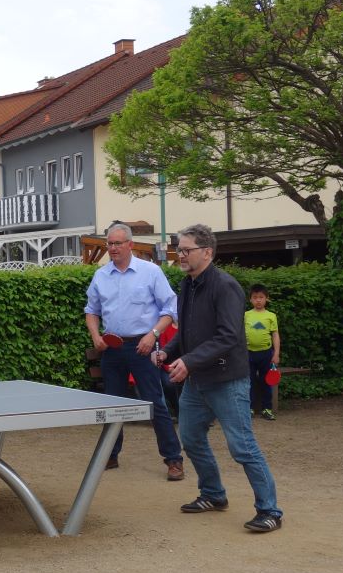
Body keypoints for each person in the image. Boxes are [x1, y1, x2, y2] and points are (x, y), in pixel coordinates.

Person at [154, 224, 283, 533]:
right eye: (179, 250)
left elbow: (227, 336)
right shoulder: (187, 285)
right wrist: (168, 352)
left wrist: (187, 360)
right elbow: (186, 333)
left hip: (227, 381)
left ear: (207, 252)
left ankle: (270, 511)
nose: (180, 255)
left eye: (187, 250)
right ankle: (213, 494)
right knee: (191, 438)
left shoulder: (225, 286)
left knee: (243, 447)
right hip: (197, 381)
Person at [85, 222, 185, 481]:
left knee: (155, 403)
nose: (113, 248)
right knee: (112, 404)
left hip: (143, 347)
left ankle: (174, 459)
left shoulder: (150, 272)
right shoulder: (101, 275)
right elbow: (91, 311)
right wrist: (96, 336)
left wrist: (152, 336)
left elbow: (170, 310)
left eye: (118, 243)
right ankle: (111, 454)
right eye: (110, 243)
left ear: (130, 244)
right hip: (112, 348)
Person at [245, 283, 281, 420]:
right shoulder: (246, 315)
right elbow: (240, 335)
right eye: (255, 297)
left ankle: (267, 409)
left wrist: (276, 353)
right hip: (249, 354)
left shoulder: (271, 316)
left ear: (266, 298)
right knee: (250, 382)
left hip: (266, 354)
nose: (258, 300)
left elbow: (275, 335)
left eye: (261, 297)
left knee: (267, 382)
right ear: (250, 299)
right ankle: (249, 409)